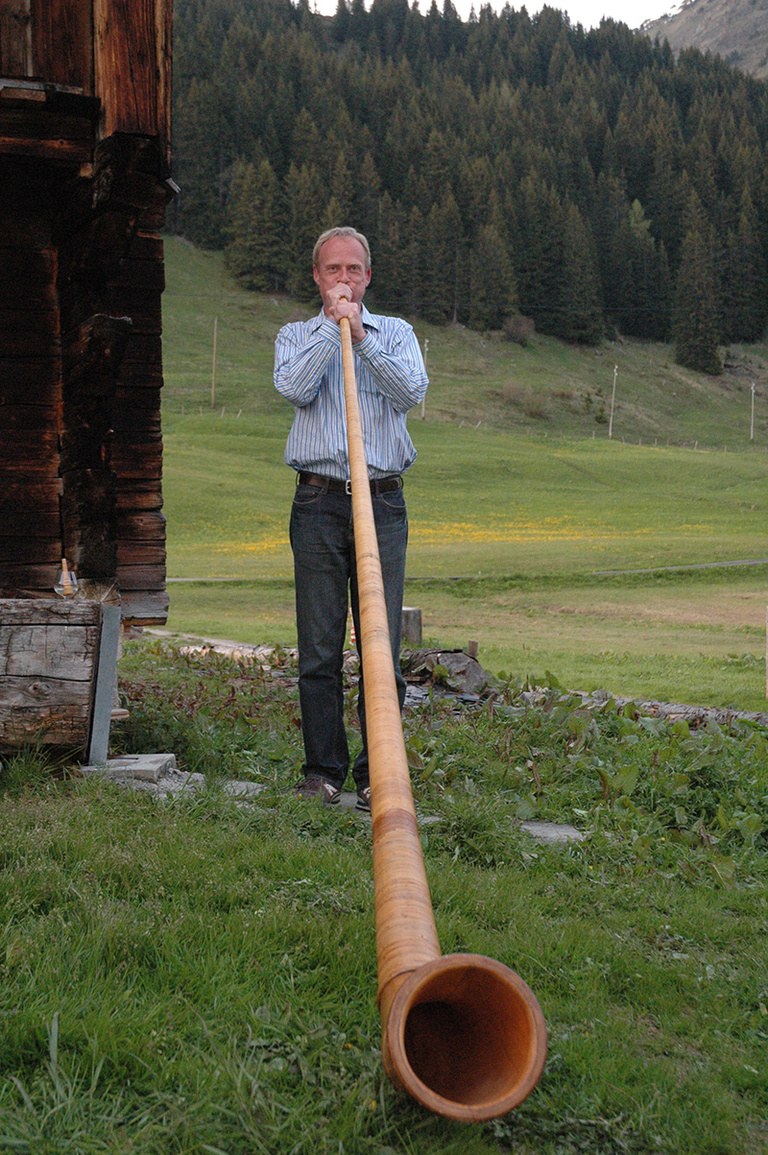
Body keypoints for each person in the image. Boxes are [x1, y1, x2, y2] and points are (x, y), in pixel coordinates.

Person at [274, 226, 428, 810]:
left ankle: (378, 772)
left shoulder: (397, 334)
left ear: (368, 276)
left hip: (382, 500)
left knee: (379, 646)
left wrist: (361, 336)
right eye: (333, 270)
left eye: (354, 271)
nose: (344, 279)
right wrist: (332, 331)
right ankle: (323, 770)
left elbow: (410, 390)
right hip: (317, 502)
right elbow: (292, 387)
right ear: (317, 276)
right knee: (317, 646)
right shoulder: (295, 335)